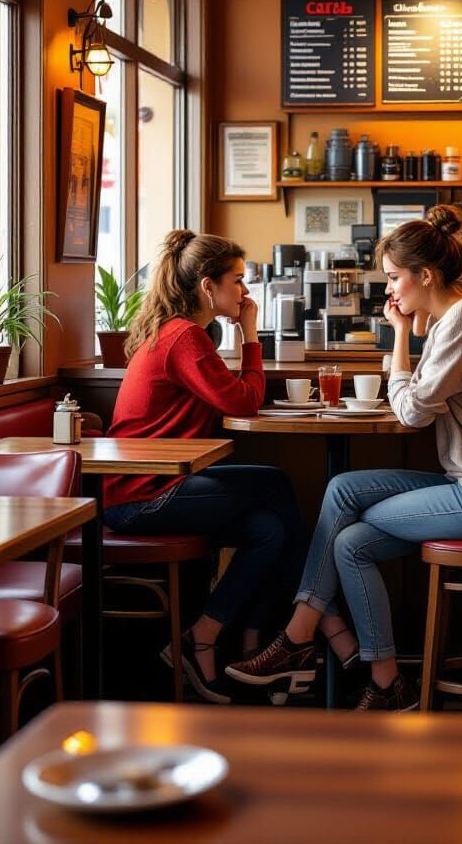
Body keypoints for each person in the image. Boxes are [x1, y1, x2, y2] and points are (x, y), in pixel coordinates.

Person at [227, 205, 462, 711]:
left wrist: (398, 336)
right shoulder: (455, 316)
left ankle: (297, 638)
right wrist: (404, 330)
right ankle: (385, 683)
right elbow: (419, 386)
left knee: (347, 520)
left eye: (395, 277)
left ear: (426, 275)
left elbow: (412, 411)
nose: (390, 288)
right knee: (346, 517)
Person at [103, 230, 307, 704]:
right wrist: (251, 334)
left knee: (270, 531)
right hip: (142, 495)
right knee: (276, 484)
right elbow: (245, 401)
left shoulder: (181, 332)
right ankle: (298, 633)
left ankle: (212, 640)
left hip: (152, 487)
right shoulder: (185, 337)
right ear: (207, 286)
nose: (245, 290)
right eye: (237, 280)